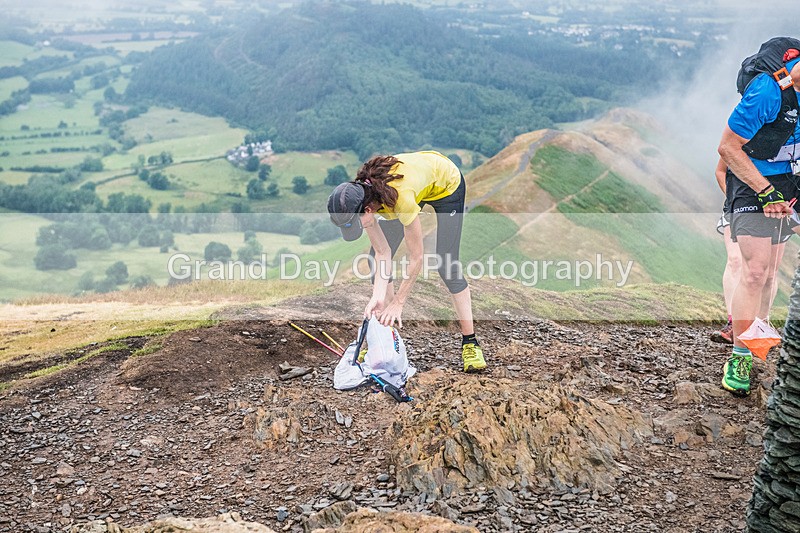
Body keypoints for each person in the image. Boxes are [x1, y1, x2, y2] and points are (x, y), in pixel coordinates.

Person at [327, 150, 486, 373]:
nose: (361, 226)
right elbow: (383, 252)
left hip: (446, 183)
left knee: (446, 263)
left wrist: (398, 302)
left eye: (359, 221)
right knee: (374, 258)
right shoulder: (363, 196)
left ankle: (470, 342)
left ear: (368, 209)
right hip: (413, 186)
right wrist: (378, 298)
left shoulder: (401, 199)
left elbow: (417, 257)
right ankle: (385, 339)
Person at [717, 54, 800, 396]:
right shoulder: (768, 90)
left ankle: (758, 338)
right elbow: (727, 149)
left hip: (788, 179)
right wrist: (764, 193)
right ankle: (740, 357)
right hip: (752, 179)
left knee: (769, 274)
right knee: (754, 270)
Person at [711, 158, 741, 344]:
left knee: (767, 272)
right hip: (737, 207)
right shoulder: (740, 132)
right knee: (735, 261)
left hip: (773, 210)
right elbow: (720, 171)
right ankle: (733, 323)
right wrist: (732, 200)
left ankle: (761, 323)